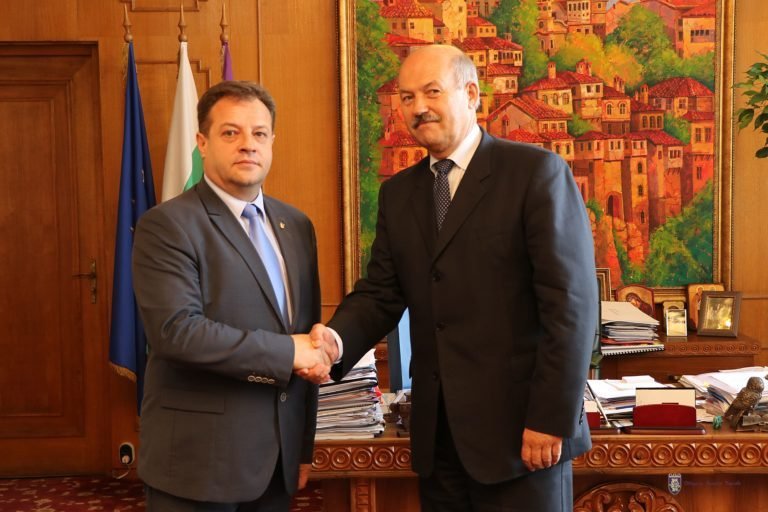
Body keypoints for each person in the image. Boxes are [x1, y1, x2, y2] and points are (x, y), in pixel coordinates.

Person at [306, 45, 597, 511]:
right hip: (439, 440)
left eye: (432, 92)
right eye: (406, 97)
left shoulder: (535, 174)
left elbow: (571, 307)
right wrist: (334, 343)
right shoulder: (398, 194)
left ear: (471, 94)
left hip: (523, 438)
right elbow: (380, 293)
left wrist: (551, 418)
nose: (418, 107)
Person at [132, 80, 330, 511]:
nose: (248, 144)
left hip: (276, 462)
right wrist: (286, 352)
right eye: (230, 132)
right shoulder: (167, 225)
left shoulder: (297, 226)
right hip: (199, 464)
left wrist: (303, 446)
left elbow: (305, 334)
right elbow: (177, 333)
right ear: (202, 143)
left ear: (272, 142)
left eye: (259, 133)